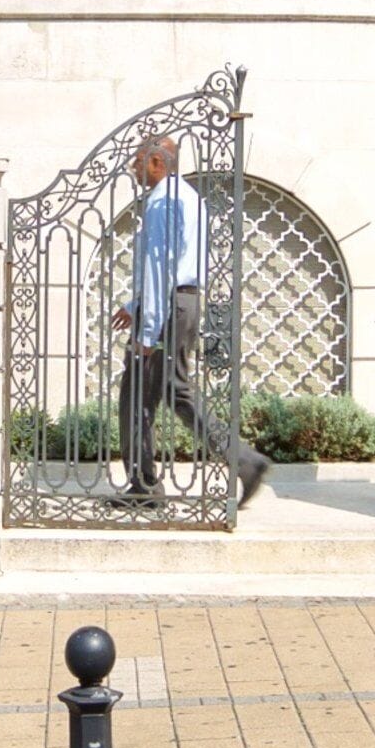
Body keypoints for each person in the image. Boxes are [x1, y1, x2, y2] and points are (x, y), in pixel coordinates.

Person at [113, 134, 269, 507]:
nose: (132, 169)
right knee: (169, 389)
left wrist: (147, 330)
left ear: (155, 162)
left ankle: (148, 486)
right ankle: (241, 462)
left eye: (136, 161)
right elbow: (174, 265)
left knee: (140, 395)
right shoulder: (187, 197)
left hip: (166, 309)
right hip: (180, 304)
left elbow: (160, 267)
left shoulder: (162, 202)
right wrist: (135, 307)